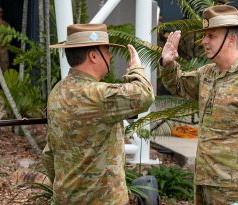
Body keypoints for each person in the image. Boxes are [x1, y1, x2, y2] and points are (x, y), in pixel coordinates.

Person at [159, 5, 238, 205]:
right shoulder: (207, 73)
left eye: (211, 36)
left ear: (231, 39)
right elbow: (179, 85)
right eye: (205, 36)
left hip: (236, 187)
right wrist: (168, 63)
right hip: (205, 182)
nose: (204, 41)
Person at [42, 24, 154, 204]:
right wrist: (136, 69)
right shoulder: (97, 94)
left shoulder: (57, 91)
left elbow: (49, 153)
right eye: (107, 51)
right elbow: (145, 96)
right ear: (94, 56)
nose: (109, 57)